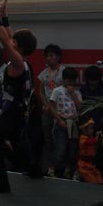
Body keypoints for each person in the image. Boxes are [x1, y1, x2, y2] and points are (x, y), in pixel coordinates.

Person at [0, 1, 37, 193]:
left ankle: (0, 184)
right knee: (17, 143)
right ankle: (34, 169)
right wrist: (4, 16)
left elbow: (5, 40)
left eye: (15, 42)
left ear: (20, 47)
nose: (11, 41)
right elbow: (9, 36)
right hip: (18, 111)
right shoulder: (23, 61)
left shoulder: (17, 63)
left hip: (11, 113)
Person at [38, 43, 66, 176]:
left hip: (60, 112)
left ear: (58, 57)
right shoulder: (44, 73)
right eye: (47, 56)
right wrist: (46, 105)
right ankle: (47, 168)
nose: (48, 59)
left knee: (59, 140)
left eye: (51, 56)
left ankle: (58, 168)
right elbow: (41, 91)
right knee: (48, 139)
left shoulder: (63, 72)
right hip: (47, 111)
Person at [50, 67, 83, 179]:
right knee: (60, 149)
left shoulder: (77, 92)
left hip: (73, 123)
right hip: (62, 122)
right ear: (64, 80)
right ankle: (55, 170)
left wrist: (73, 94)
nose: (71, 83)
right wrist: (59, 120)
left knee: (72, 149)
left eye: (73, 81)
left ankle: (68, 172)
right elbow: (52, 107)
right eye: (69, 81)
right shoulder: (57, 91)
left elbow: (80, 106)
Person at [77, 118, 103, 184]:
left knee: (100, 181)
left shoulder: (92, 138)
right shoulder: (82, 138)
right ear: (84, 130)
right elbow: (88, 143)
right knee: (92, 182)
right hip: (84, 165)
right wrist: (97, 139)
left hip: (91, 164)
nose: (92, 130)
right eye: (91, 128)